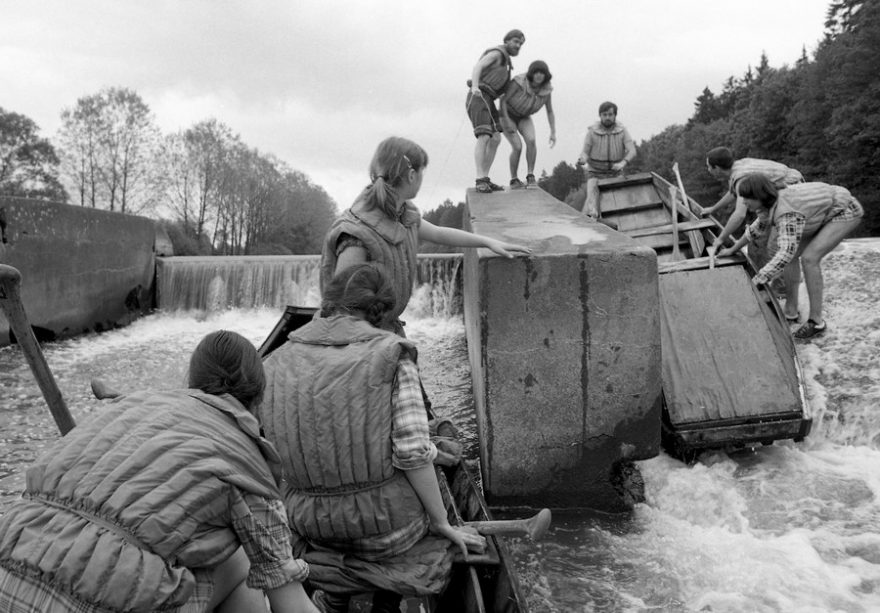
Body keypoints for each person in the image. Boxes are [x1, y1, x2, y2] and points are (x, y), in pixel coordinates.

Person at [0, 330, 318, 613]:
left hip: (10, 566)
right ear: (257, 400)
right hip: (94, 599)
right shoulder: (247, 462)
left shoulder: (131, 409)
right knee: (241, 564)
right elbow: (289, 603)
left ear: (192, 382)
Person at [259, 263, 487, 613]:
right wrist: (443, 523)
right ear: (381, 313)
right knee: (432, 468)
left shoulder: (273, 363)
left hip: (310, 528)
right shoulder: (393, 355)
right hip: (386, 534)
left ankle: (333, 597)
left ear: (329, 303)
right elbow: (411, 454)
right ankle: (387, 597)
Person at [321, 136, 532, 337]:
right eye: (422, 172)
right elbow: (340, 308)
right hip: (361, 343)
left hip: (384, 333)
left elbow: (440, 233)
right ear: (412, 175)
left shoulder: (401, 214)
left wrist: (488, 242)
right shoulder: (356, 235)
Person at [716, 175, 863, 339]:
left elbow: (785, 253)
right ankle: (791, 311)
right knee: (792, 258)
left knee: (809, 259)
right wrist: (732, 249)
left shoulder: (786, 214)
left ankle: (816, 322)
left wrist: (757, 281)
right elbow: (756, 230)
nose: (743, 203)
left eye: (747, 198)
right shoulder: (767, 205)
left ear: (759, 197)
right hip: (819, 212)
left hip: (844, 211)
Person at [702, 147, 805, 252]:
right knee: (762, 237)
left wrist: (720, 239)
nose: (708, 170)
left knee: (776, 246)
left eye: (709, 167)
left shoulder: (741, 178)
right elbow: (733, 193)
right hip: (783, 191)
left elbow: (739, 215)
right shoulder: (737, 167)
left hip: (792, 191)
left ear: (718, 168)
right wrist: (713, 209)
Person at [466, 29, 526, 193]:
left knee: (496, 138)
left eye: (520, 44)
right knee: (484, 135)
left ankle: (485, 177)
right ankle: (480, 180)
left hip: (489, 98)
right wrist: (475, 87)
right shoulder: (497, 53)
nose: (518, 45)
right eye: (515, 41)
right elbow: (479, 65)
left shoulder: (506, 63)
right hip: (479, 95)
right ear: (506, 41)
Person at [500, 60, 556, 189]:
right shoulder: (519, 82)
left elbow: (550, 111)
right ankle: (514, 178)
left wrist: (553, 132)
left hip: (524, 117)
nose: (539, 76)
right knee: (517, 146)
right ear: (531, 73)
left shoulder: (546, 89)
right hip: (507, 114)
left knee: (531, 140)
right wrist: (507, 121)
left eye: (542, 73)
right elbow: (503, 100)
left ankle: (530, 175)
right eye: (536, 72)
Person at [576, 101, 636, 219]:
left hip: (615, 173)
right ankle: (590, 219)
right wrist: (582, 159)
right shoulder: (592, 132)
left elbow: (632, 150)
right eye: (604, 115)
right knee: (591, 202)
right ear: (600, 116)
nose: (607, 117)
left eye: (610, 114)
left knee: (621, 203)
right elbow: (585, 152)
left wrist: (623, 163)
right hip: (595, 174)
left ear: (615, 115)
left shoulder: (622, 131)